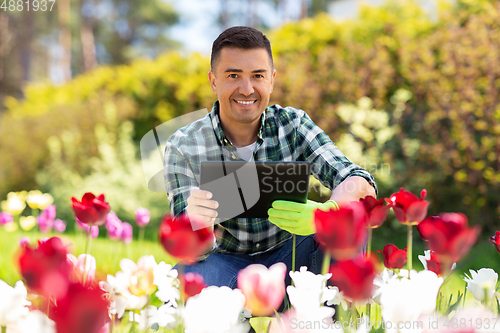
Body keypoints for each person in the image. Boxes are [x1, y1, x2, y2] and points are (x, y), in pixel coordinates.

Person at [164, 26, 377, 289]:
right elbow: (187, 250)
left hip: (291, 256)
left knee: (347, 226)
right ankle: (238, 325)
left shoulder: (294, 125)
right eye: (233, 75)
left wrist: (327, 213)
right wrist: (197, 227)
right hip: (221, 260)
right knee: (180, 286)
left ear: (271, 80)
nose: (246, 89)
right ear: (213, 81)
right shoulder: (184, 145)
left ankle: (323, 325)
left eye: (257, 76)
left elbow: (360, 182)